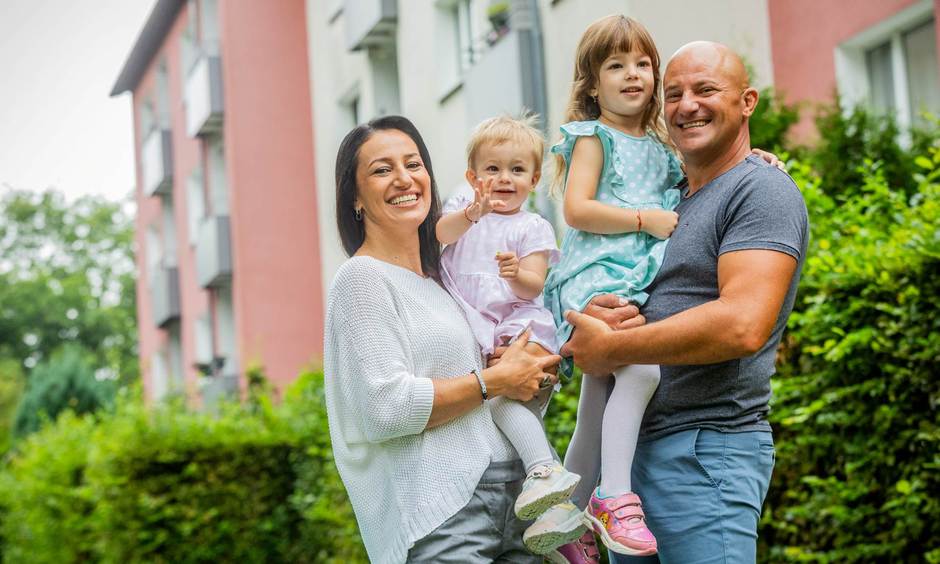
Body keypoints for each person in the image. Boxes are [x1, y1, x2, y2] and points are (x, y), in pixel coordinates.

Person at [560, 40, 810, 564]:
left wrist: (613, 347)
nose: (686, 104)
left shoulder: (759, 189)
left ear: (747, 102)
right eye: (673, 94)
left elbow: (743, 324)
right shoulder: (669, 201)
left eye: (705, 90)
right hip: (629, 458)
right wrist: (601, 310)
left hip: (704, 450)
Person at [323, 115, 561, 564]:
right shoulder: (362, 279)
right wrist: (494, 379)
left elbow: (494, 393)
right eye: (381, 169)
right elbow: (385, 409)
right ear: (354, 196)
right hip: (447, 512)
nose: (403, 178)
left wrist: (532, 375)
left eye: (413, 163)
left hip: (518, 497)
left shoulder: (443, 281)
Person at [539, 14, 682, 559]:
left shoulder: (660, 143)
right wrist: (645, 219)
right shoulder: (594, 136)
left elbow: (700, 181)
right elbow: (577, 209)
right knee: (642, 366)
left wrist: (756, 160)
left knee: (598, 396)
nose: (632, 75)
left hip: (632, 273)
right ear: (592, 84)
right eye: (615, 65)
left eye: (642, 64)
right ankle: (613, 496)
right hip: (596, 275)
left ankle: (564, 522)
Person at [435, 114, 585, 554]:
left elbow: (534, 286)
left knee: (503, 402)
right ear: (472, 177)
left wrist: (517, 273)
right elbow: (440, 235)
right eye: (493, 169)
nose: (504, 179)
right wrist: (470, 214)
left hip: (520, 325)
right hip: (483, 329)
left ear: (534, 178)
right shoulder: (463, 207)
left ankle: (546, 472)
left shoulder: (531, 226)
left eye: (517, 170)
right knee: (513, 421)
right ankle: (563, 523)